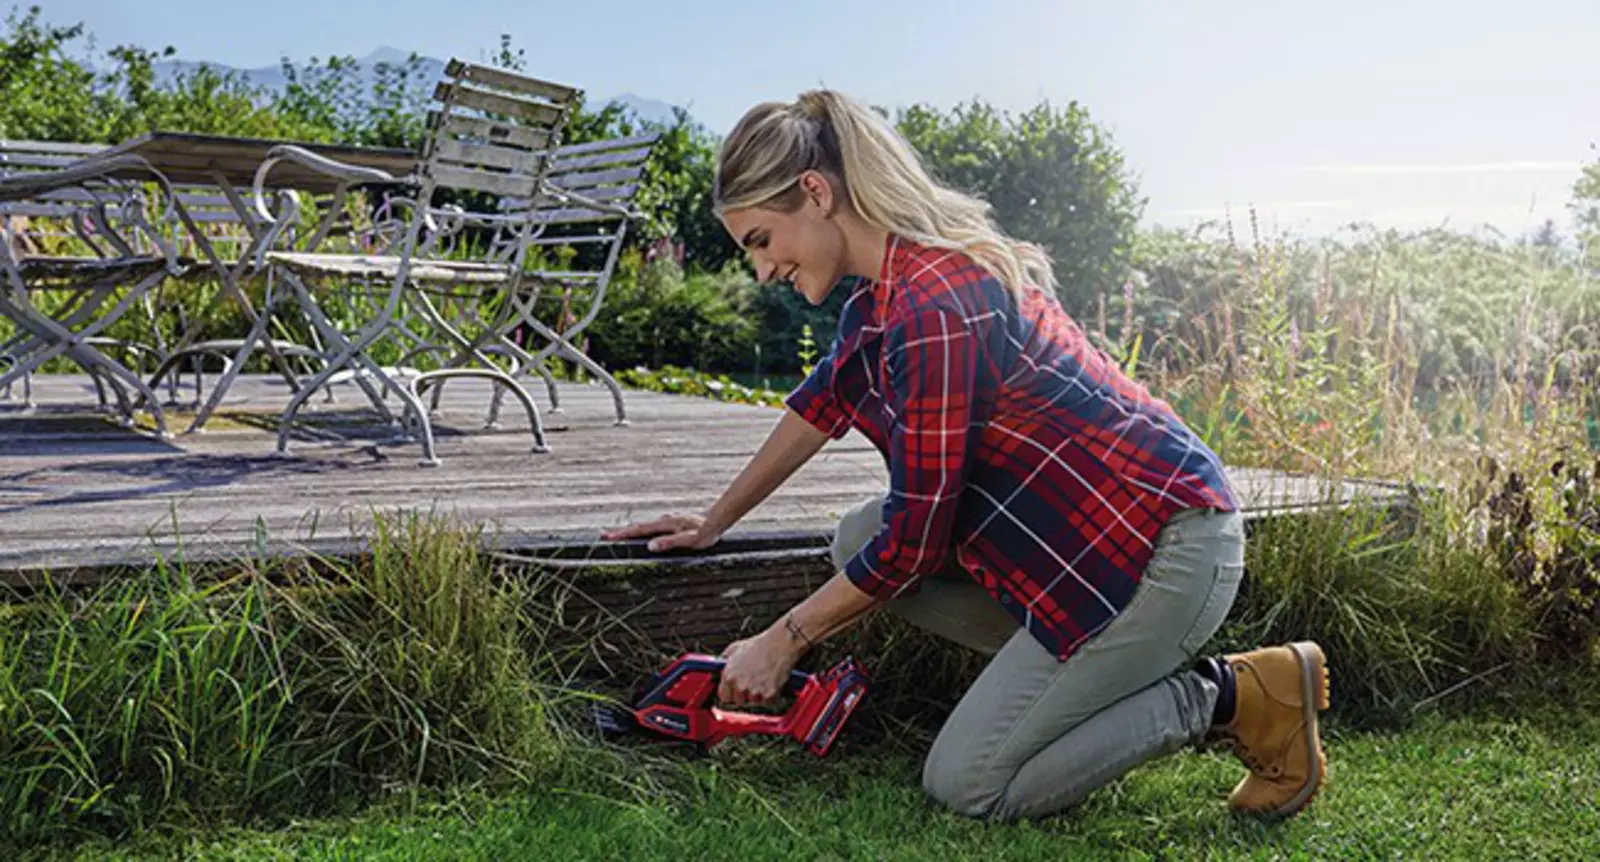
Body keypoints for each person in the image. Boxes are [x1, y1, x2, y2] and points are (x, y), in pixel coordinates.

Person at [601, 89, 1330, 822]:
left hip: (1166, 548)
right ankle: (1101, 675)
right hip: (1080, 554)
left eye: (761, 240)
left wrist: (781, 641)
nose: (762, 269)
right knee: (856, 536)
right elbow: (816, 410)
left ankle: (1230, 694)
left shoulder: (936, 306)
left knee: (970, 782)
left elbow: (914, 545)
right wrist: (714, 518)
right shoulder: (882, 296)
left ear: (816, 194)